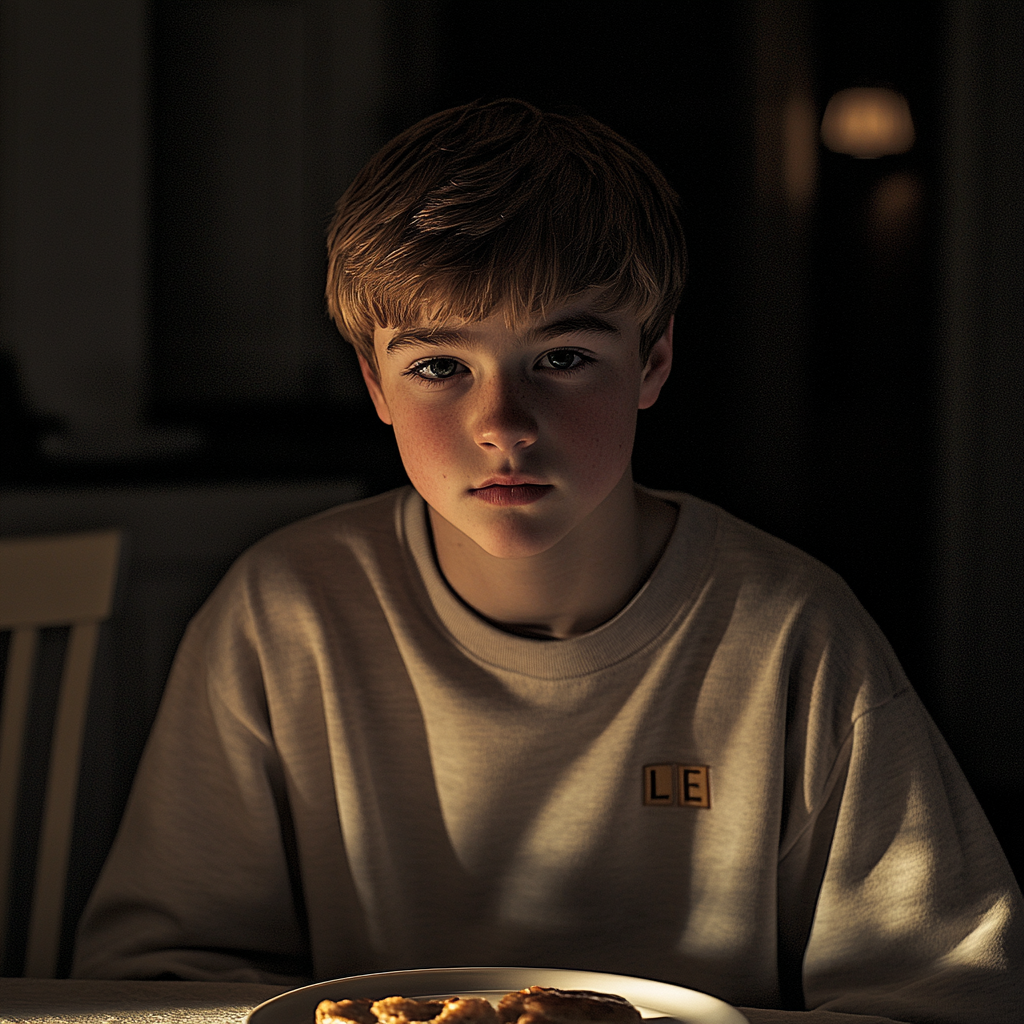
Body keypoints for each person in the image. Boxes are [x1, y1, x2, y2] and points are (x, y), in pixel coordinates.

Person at [73, 99, 1021, 1021]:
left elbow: (940, 992)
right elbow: (159, 979)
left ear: (651, 364)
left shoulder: (791, 633)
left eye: (562, 358)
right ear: (375, 384)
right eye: (441, 367)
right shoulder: (286, 611)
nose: (502, 427)